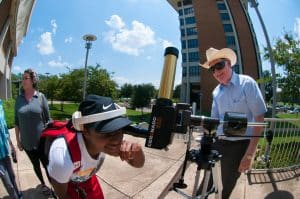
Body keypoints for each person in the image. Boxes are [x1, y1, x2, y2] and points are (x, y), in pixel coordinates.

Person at [198, 47, 267, 198]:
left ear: (229, 63)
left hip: (239, 145)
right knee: (205, 183)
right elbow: (214, 122)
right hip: (219, 142)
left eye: (219, 66)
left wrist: (249, 155)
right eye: (212, 69)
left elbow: (259, 119)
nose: (216, 72)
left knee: (224, 188)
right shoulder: (216, 92)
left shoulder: (247, 83)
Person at [46, 94, 145, 199]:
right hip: (68, 183)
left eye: (119, 129)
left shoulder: (107, 143)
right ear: (85, 131)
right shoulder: (63, 157)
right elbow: (62, 194)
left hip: (87, 178)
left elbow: (138, 164)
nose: (116, 140)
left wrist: (137, 152)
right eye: (106, 132)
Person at [14, 68, 52, 195]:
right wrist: (18, 141)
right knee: (35, 166)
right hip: (27, 143)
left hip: (42, 142)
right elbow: (16, 121)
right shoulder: (19, 99)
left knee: (48, 166)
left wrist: (50, 138)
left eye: (25, 78)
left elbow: (49, 120)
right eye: (22, 78)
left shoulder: (41, 97)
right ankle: (43, 184)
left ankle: (54, 186)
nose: (23, 80)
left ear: (33, 80)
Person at [0, 99, 22, 199]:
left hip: (4, 150)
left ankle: (18, 194)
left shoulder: (0, 104)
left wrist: (12, 146)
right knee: (7, 182)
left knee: (12, 176)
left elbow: (4, 129)